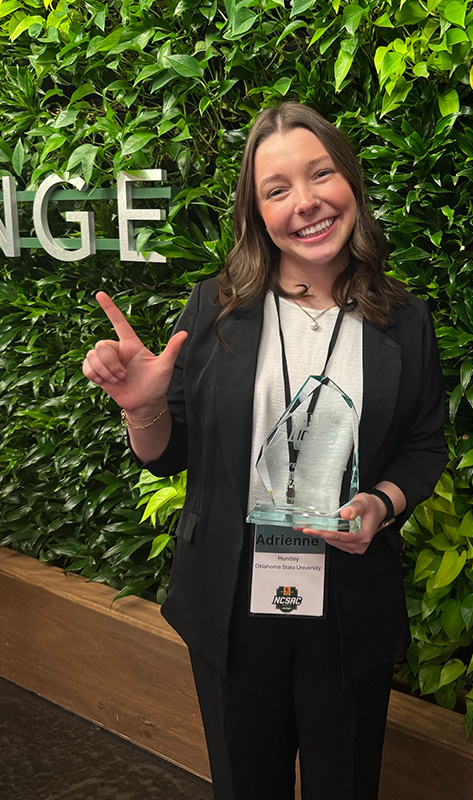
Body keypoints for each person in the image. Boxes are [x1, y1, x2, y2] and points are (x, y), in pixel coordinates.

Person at [83, 101, 448, 800]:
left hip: (348, 596)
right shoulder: (214, 310)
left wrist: (381, 501)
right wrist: (148, 408)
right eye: (277, 189)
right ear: (256, 213)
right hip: (230, 600)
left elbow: (424, 445)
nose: (306, 203)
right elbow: (168, 453)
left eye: (321, 175)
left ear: (352, 184)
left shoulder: (404, 321)